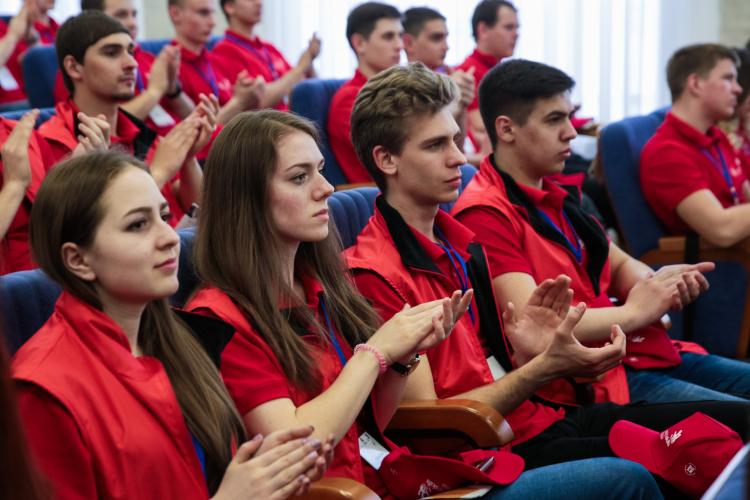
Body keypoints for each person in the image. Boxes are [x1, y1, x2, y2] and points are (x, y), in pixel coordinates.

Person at [345, 61, 750, 498]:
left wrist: (531, 355)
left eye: (457, 141)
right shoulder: (378, 271)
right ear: (386, 159)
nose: (459, 158)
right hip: (484, 456)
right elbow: (433, 424)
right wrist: (542, 367)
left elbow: (499, 357)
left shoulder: (457, 242)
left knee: (714, 441)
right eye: (436, 145)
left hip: (538, 416)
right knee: (651, 473)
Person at [12, 150, 329, 499]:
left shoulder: (180, 340)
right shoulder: (43, 390)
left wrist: (276, 476)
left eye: (164, 216)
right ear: (78, 259)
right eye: (138, 225)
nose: (170, 237)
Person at [451, 58, 750, 405]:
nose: (572, 132)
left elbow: (619, 264)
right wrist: (635, 312)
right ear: (506, 129)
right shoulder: (486, 212)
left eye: (568, 116)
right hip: (588, 381)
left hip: (631, 353)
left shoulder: (556, 193)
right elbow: (537, 326)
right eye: (554, 120)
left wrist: (654, 285)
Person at [40, 10, 211, 225]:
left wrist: (188, 158)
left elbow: (200, 215)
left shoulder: (142, 134)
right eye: (112, 53)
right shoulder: (52, 142)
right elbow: (93, 229)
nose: (132, 63)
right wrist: (157, 172)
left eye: (131, 51)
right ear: (74, 67)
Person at [640, 44, 750, 246]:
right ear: (695, 84)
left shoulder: (715, 136)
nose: (738, 88)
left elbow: (745, 193)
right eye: (728, 78)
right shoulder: (667, 153)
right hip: (722, 263)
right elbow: (722, 230)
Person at [69, 0, 196, 137]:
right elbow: (101, 123)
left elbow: (192, 117)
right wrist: (154, 91)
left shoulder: (148, 58)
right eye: (121, 15)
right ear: (94, 19)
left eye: (134, 15)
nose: (133, 23)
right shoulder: (83, 67)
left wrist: (172, 90)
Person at [327, 1, 402, 184]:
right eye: (388, 36)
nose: (399, 45)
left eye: (400, 35)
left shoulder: (398, 90)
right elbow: (396, 159)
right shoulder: (351, 99)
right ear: (359, 43)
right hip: (381, 200)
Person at [168, 0, 265, 124]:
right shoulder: (171, 68)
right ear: (175, 14)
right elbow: (197, 132)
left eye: (212, 14)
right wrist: (239, 102)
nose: (213, 23)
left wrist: (244, 94)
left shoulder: (215, 59)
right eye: (203, 13)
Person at [212, 0, 320, 111]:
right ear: (229, 7)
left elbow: (305, 85)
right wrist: (301, 67)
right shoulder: (224, 52)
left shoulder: (268, 47)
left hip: (291, 118)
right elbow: (256, 102)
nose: (259, 3)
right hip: (269, 125)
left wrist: (309, 60)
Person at [402, 6, 475, 158]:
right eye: (436, 38)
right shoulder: (399, 89)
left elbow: (458, 150)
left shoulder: (452, 76)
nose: (446, 46)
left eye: (446, 37)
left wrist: (461, 106)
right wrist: (450, 102)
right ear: (408, 43)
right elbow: (418, 149)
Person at [456, 0, 519, 158]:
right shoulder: (467, 73)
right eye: (509, 27)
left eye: (517, 27)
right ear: (483, 30)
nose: (516, 34)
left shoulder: (502, 71)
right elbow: (482, 128)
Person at [0, 109, 56, 274]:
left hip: (50, 279)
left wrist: (81, 180)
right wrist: (14, 186)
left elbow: (58, 226)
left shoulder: (23, 135)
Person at [0, 0, 58, 110]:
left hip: (48, 102)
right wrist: (13, 35)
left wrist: (34, 44)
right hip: (15, 106)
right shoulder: (7, 27)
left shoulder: (59, 28)